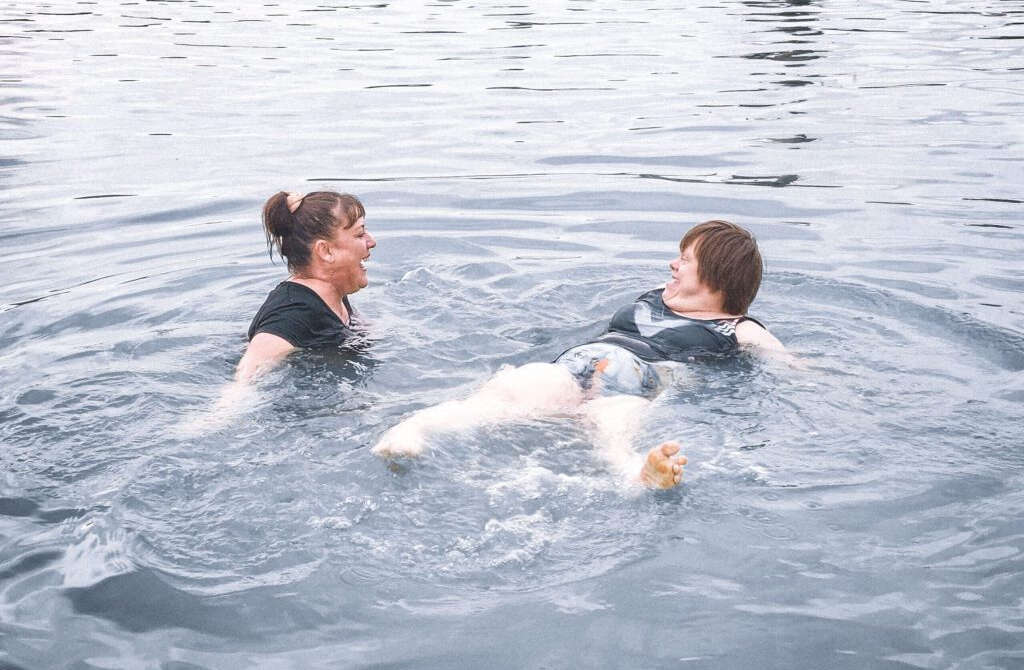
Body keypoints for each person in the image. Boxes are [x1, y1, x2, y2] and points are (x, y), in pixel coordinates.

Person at [371, 220, 784, 489]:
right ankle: (415, 432)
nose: (672, 264)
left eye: (685, 259)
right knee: (510, 391)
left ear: (715, 277)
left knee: (611, 424)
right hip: (573, 367)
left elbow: (791, 367)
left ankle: (635, 473)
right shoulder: (658, 297)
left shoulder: (739, 328)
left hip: (636, 381)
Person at [235, 190, 377, 381]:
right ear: (325, 251)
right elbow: (245, 377)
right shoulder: (293, 312)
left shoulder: (333, 293)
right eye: (360, 234)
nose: (371, 241)